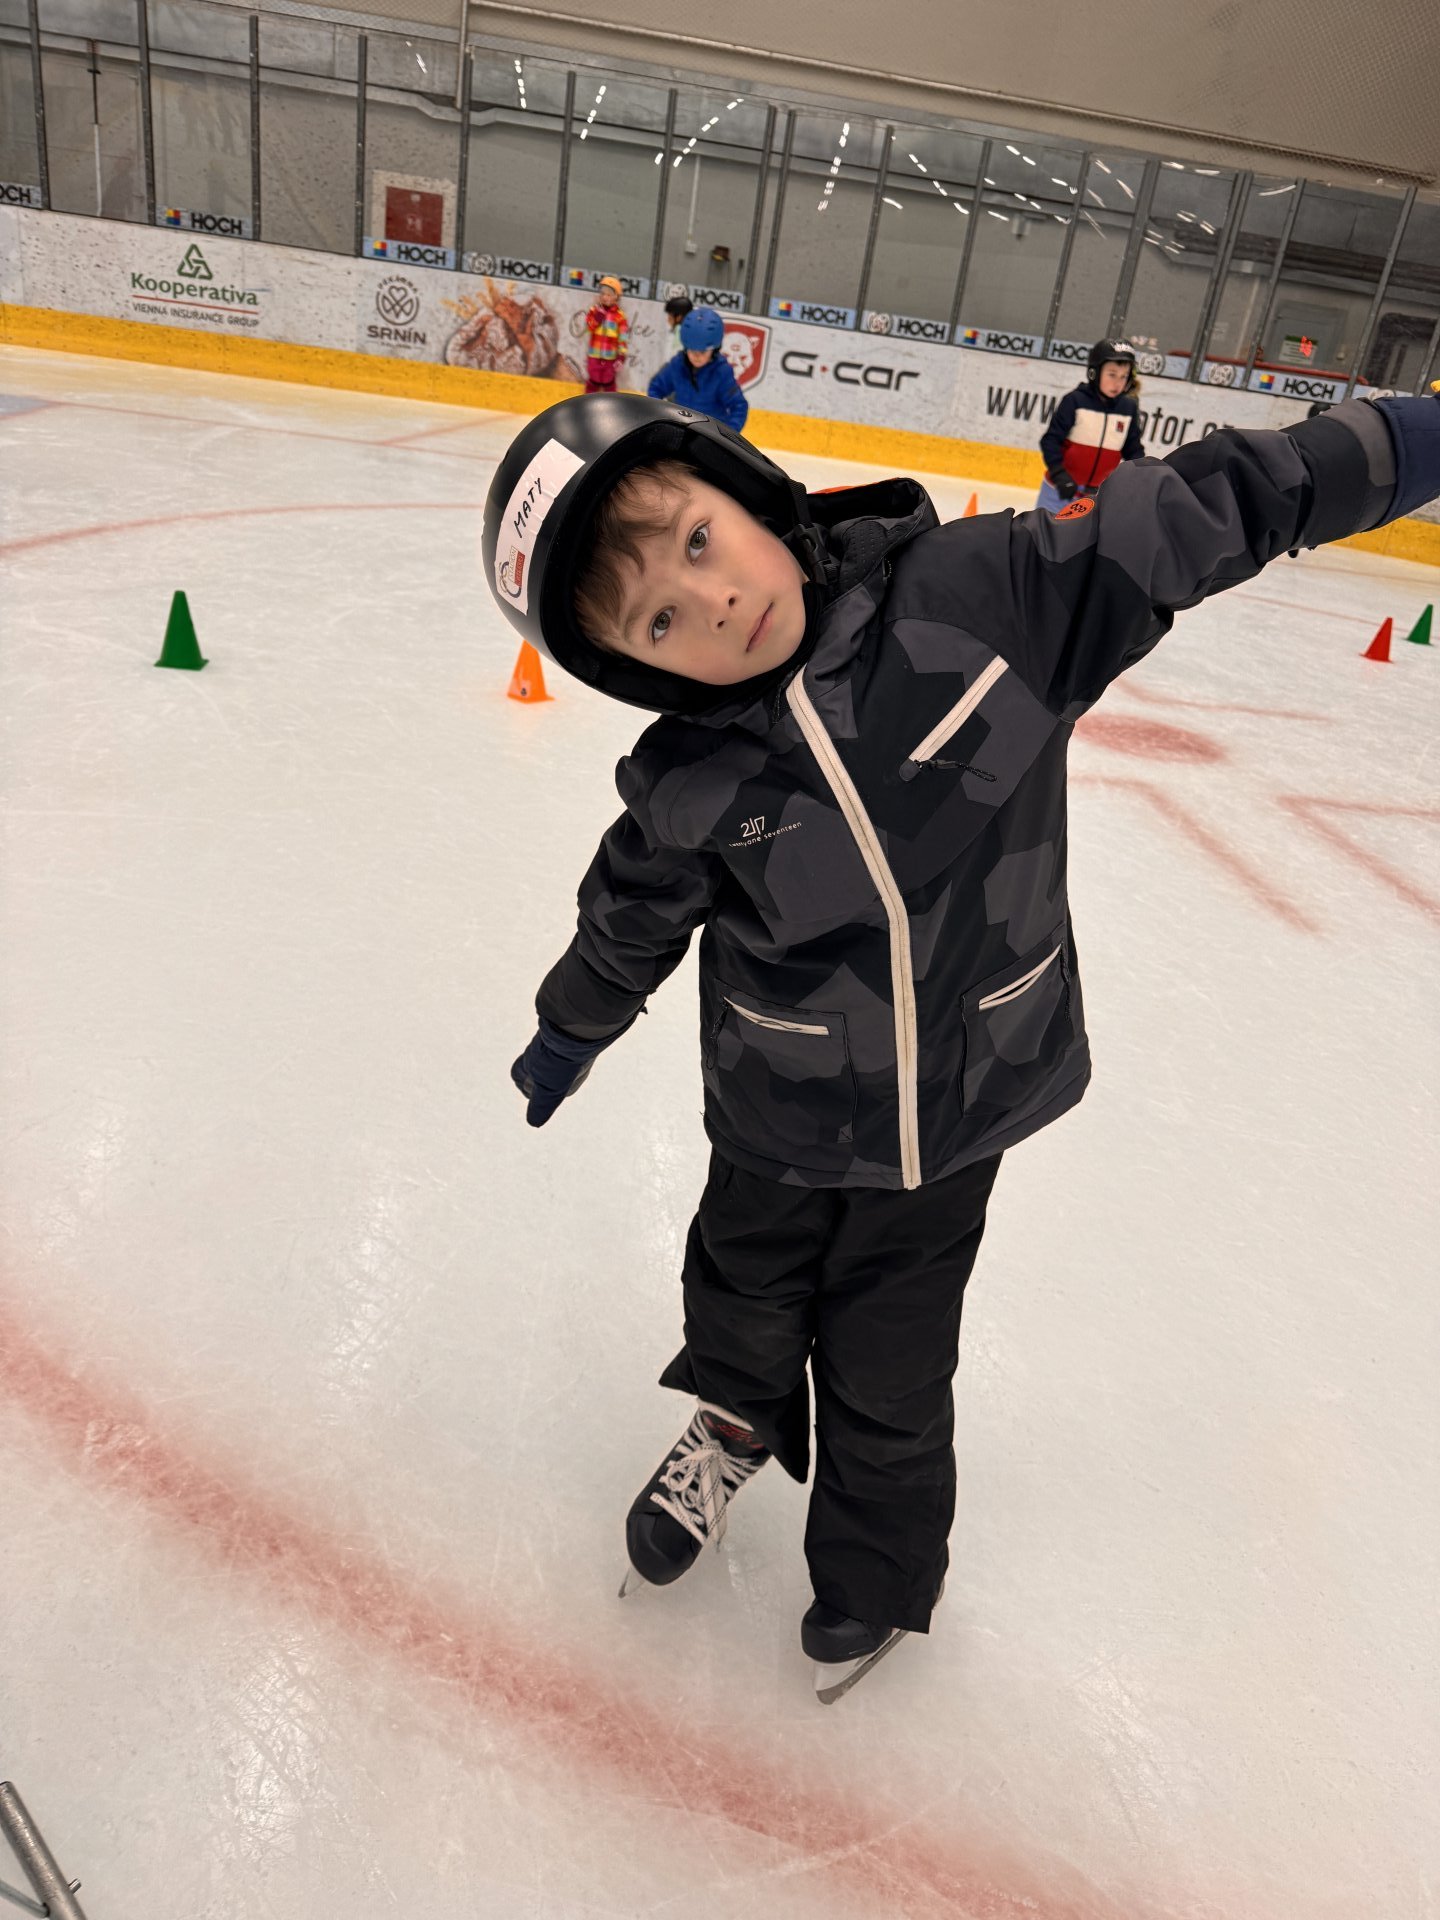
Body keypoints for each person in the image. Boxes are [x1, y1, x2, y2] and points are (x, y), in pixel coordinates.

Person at [483, 385, 1440, 1702]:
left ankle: (874, 1578)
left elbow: (1212, 505)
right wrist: (566, 1031)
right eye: (656, 620)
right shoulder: (688, 783)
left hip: (953, 1113)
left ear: (746, 490)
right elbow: (625, 922)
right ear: (638, 670)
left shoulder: (987, 601)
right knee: (739, 1297)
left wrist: (1406, 444)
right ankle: (734, 1424)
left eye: (699, 542)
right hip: (774, 1115)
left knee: (891, 1368)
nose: (709, 602)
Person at [1037, 338, 1144, 512]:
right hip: (1057, 491)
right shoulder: (1074, 401)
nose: (1117, 383)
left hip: (1095, 498)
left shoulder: (1128, 408)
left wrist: (1141, 475)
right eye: (1112, 374)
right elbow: (1050, 441)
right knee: (1040, 530)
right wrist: (1059, 474)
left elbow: (1133, 450)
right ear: (1094, 373)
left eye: (1123, 376)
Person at [647, 307, 748, 433]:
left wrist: (727, 434)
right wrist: (660, 417)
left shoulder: (721, 372)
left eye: (702, 352)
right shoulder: (677, 365)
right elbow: (655, 388)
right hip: (681, 431)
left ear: (714, 349)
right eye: (692, 350)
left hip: (710, 435)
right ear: (686, 347)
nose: (697, 356)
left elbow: (739, 406)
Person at [584, 276, 630, 396]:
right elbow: (589, 328)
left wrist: (621, 356)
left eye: (609, 295)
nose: (605, 297)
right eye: (603, 294)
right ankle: (588, 402)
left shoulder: (620, 316)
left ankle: (612, 404)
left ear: (616, 297)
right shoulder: (594, 310)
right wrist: (598, 317)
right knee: (593, 381)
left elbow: (623, 337)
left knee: (609, 383)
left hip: (610, 357)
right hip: (594, 355)